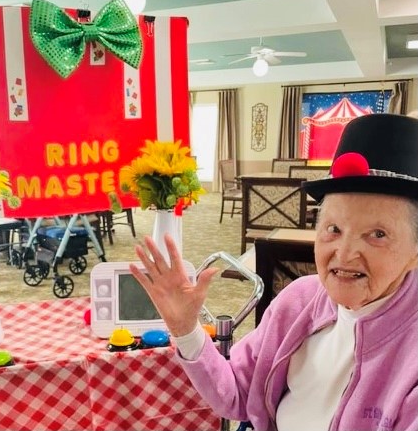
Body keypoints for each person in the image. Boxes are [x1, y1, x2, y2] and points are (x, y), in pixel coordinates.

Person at [129, 113, 418, 431]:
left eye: (377, 234)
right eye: (333, 228)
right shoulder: (300, 299)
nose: (345, 254)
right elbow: (237, 394)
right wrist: (186, 330)